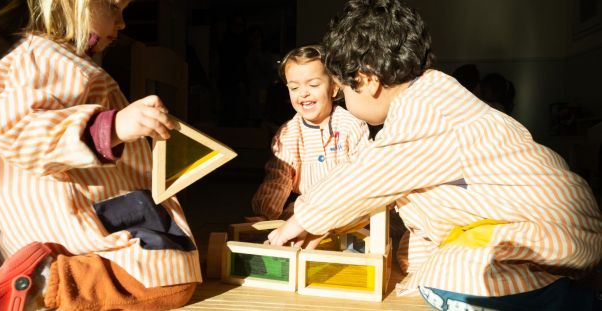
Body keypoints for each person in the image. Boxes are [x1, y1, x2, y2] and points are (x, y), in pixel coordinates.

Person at [267, 0, 602, 310]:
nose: (346, 103)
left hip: (547, 229)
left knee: (449, 279)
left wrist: (301, 219)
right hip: (526, 225)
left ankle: (574, 302)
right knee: (427, 268)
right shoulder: (425, 103)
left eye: (345, 92)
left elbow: (368, 177)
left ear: (367, 81)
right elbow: (422, 209)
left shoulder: (426, 110)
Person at [0, 0, 200, 310]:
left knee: (175, 261)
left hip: (86, 208)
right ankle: (44, 282)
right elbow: (23, 134)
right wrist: (114, 126)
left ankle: (52, 279)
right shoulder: (39, 58)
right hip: (52, 222)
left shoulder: (65, 61)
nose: (122, 24)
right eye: (114, 8)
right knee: (169, 277)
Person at [247, 45, 370, 241]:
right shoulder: (288, 133)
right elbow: (279, 178)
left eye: (313, 85)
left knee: (358, 231)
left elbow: (364, 173)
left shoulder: (352, 125)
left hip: (347, 207)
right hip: (305, 209)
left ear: (334, 87)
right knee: (286, 230)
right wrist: (265, 214)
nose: (303, 93)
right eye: (294, 88)